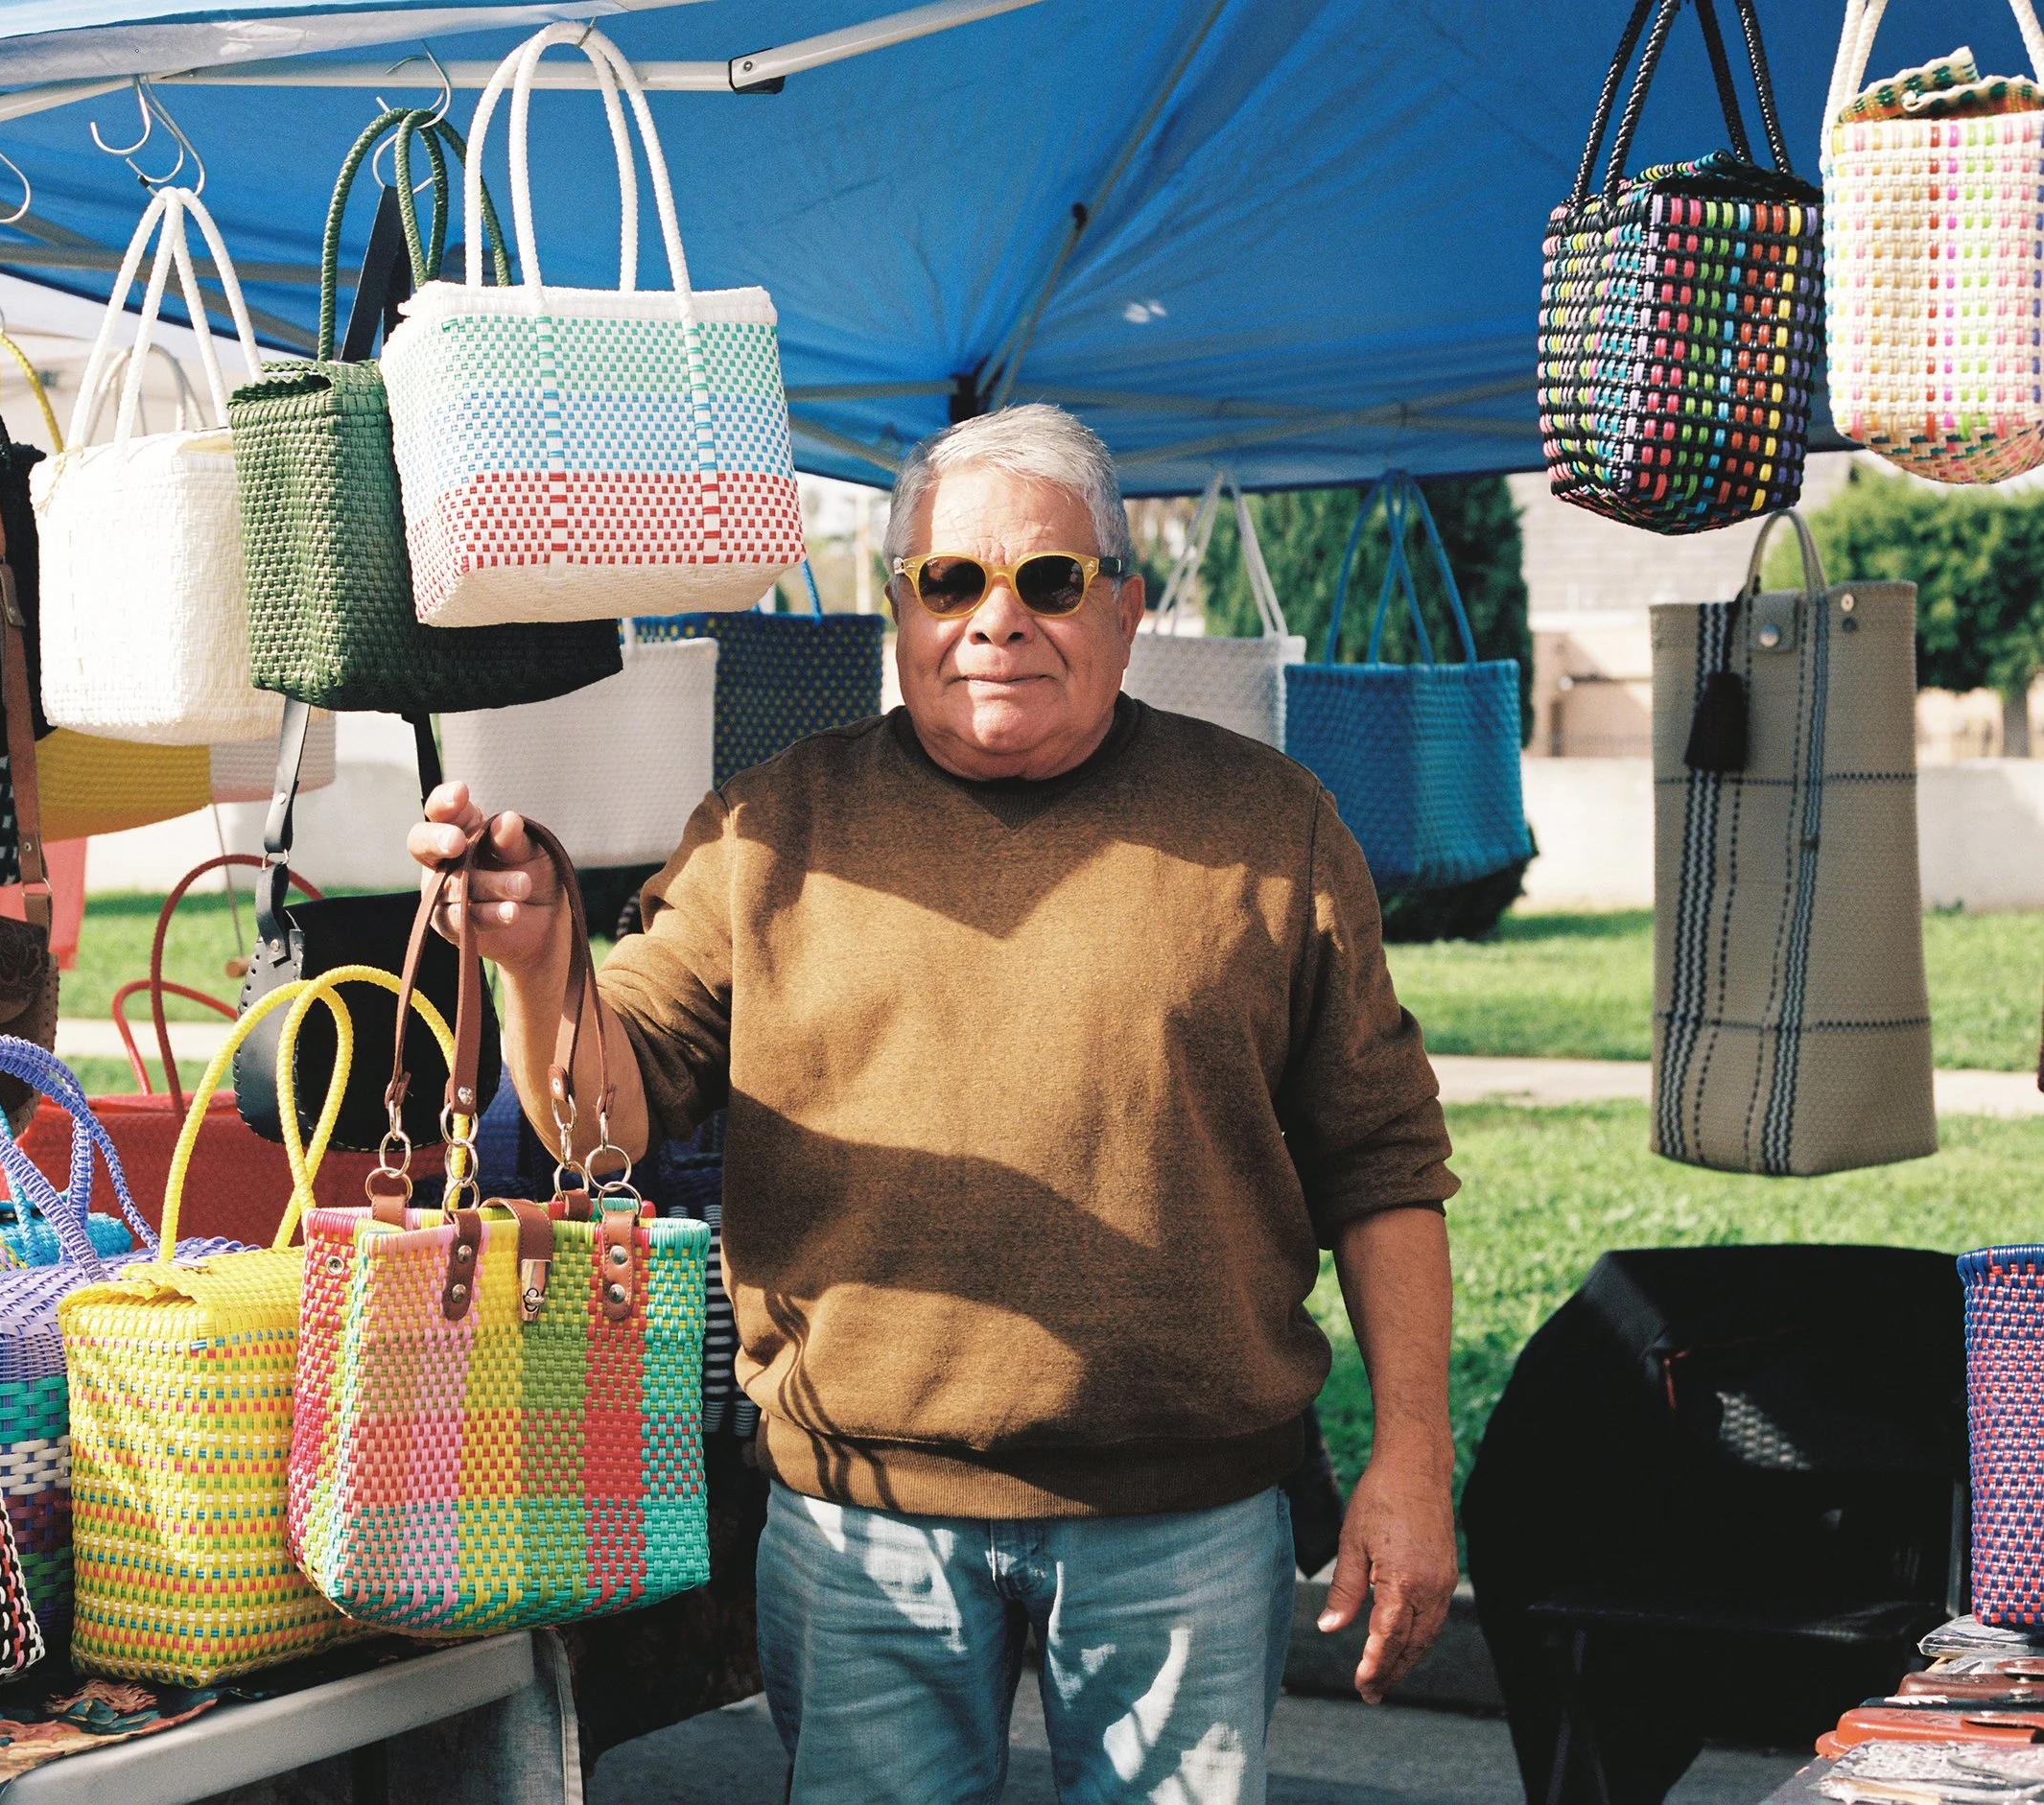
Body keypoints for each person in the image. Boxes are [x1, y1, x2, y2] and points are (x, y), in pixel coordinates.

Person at [411, 404, 1461, 1804]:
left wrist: (1415, 1455)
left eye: (1049, 580)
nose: (997, 620)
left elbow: (1383, 1168)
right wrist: (542, 956)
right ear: (898, 606)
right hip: (863, 1524)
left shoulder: (1272, 826)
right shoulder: (770, 826)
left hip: (1187, 1520)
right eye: (952, 580)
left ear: (1130, 611)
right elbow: (609, 1107)